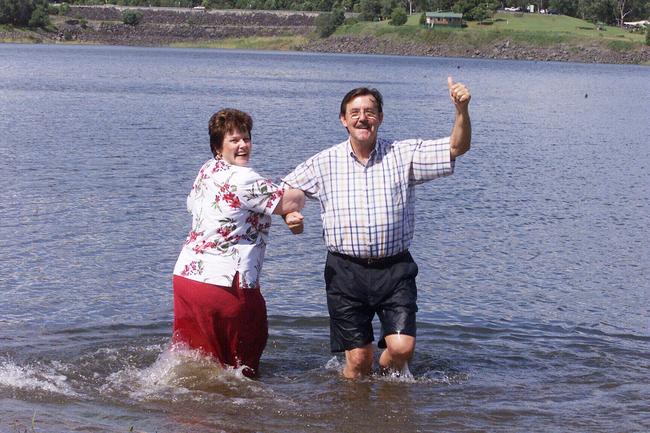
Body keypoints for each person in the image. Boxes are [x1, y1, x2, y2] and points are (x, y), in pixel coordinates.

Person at [282, 77, 471, 379]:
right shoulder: (324, 162)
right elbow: (285, 191)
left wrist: (461, 110)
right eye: (355, 112)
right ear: (343, 120)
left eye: (370, 111)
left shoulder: (403, 154)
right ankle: (355, 415)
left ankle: (384, 383)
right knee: (357, 362)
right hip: (344, 272)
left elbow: (456, 148)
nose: (362, 117)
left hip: (394, 270)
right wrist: (289, 215)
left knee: (402, 349)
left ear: (380, 118)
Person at [172, 108, 305, 378]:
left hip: (187, 278)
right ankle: (236, 417)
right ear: (218, 147)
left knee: (195, 361)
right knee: (243, 362)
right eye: (234, 140)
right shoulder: (245, 179)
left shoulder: (207, 169)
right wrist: (293, 202)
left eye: (245, 138)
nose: (243, 145)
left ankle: (189, 417)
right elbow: (292, 200)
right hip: (226, 285)